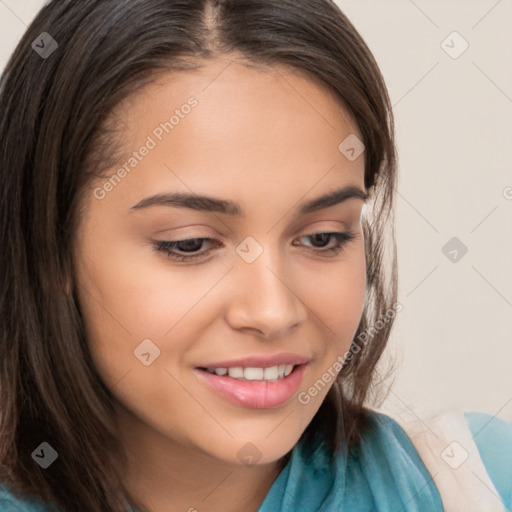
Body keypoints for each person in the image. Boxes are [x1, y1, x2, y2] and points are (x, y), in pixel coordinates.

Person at [0, 1, 510, 511]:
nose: (273, 311)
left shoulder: (480, 483)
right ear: (50, 246)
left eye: (322, 237)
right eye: (190, 244)